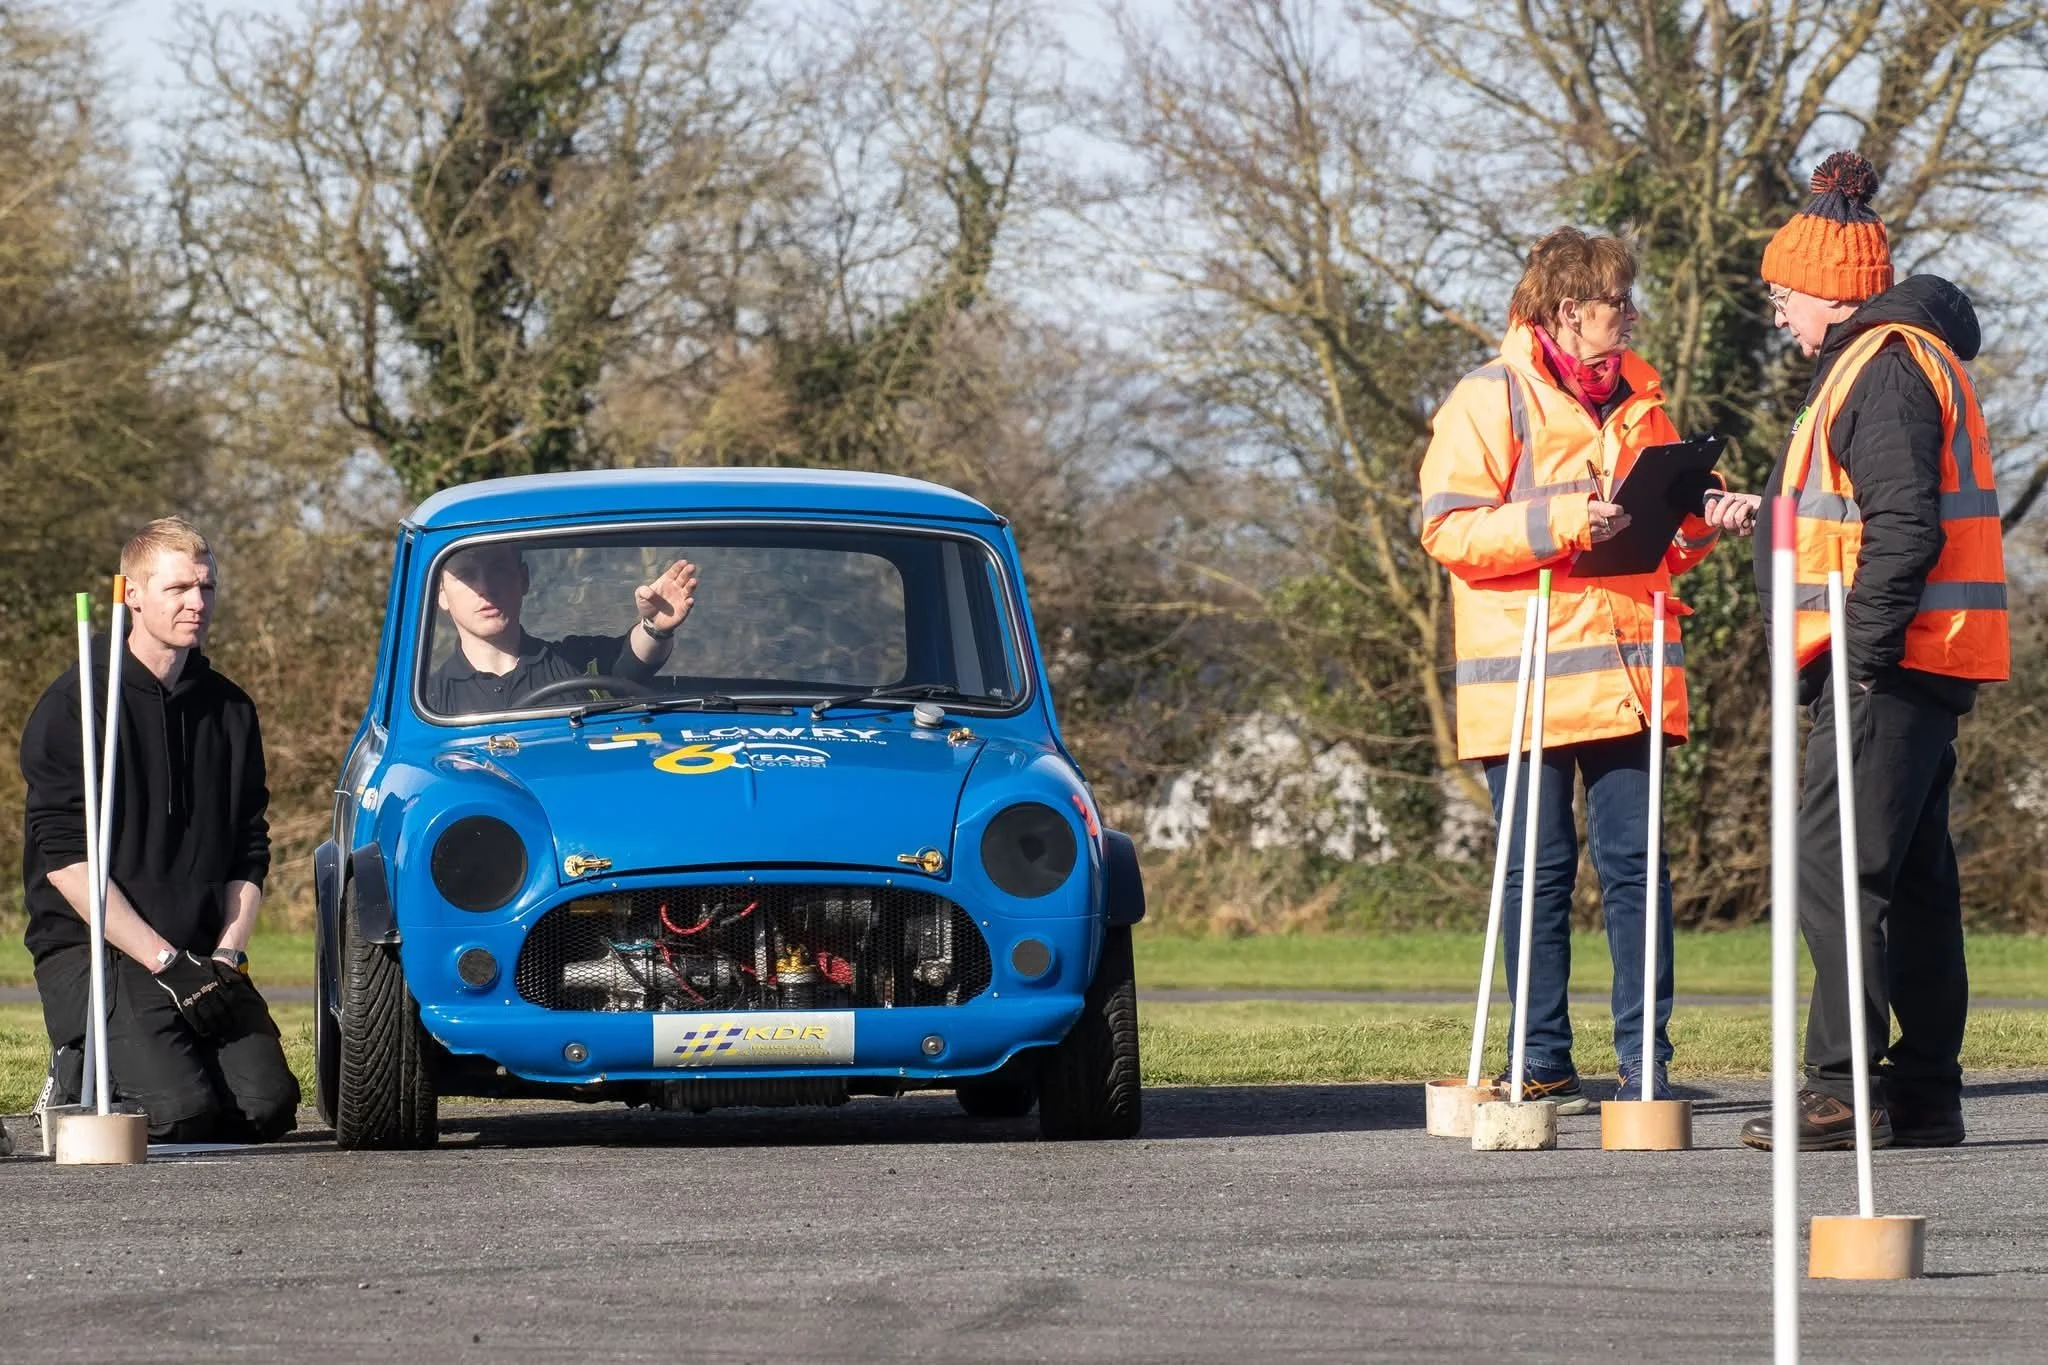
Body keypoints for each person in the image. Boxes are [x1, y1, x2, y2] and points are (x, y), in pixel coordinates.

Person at [1733, 152, 2008, 1152]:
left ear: (1829, 287)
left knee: (1830, 863)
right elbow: (1846, 518)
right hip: (1924, 658)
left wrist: (1854, 650)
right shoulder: (1896, 360)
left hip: (1886, 662)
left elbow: (1902, 528)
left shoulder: (1881, 367)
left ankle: (1837, 1086)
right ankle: (1927, 1090)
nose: (1775, 311)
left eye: (1781, 291)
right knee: (1916, 880)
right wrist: (1755, 516)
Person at [1420, 228, 1729, 1111]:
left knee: (1640, 870)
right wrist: (1563, 521)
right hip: (1524, 680)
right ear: (1567, 312)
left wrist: (1708, 509)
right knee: (1538, 871)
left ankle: (1645, 1065)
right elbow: (1447, 529)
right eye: (1616, 305)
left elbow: (1665, 530)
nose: (1630, 318)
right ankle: (1540, 1058)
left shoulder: (1643, 397)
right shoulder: (1487, 398)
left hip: (1630, 670)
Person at [20, 518, 298, 1144]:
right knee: (176, 1114)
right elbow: (65, 862)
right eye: (177, 589)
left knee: (268, 1109)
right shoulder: (77, 701)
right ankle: (75, 1066)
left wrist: (226, 955)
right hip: (101, 950)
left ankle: (147, 1053)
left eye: (206, 587)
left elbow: (249, 848)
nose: (196, 604)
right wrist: (164, 963)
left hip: (201, 952)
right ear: (132, 595)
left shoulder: (229, 708)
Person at [426, 543, 699, 714]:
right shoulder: (431, 701)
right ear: (440, 594)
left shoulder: (575, 662)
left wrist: (655, 627)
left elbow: (629, 660)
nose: (485, 589)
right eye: (466, 575)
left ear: (523, 579)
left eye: (498, 568)